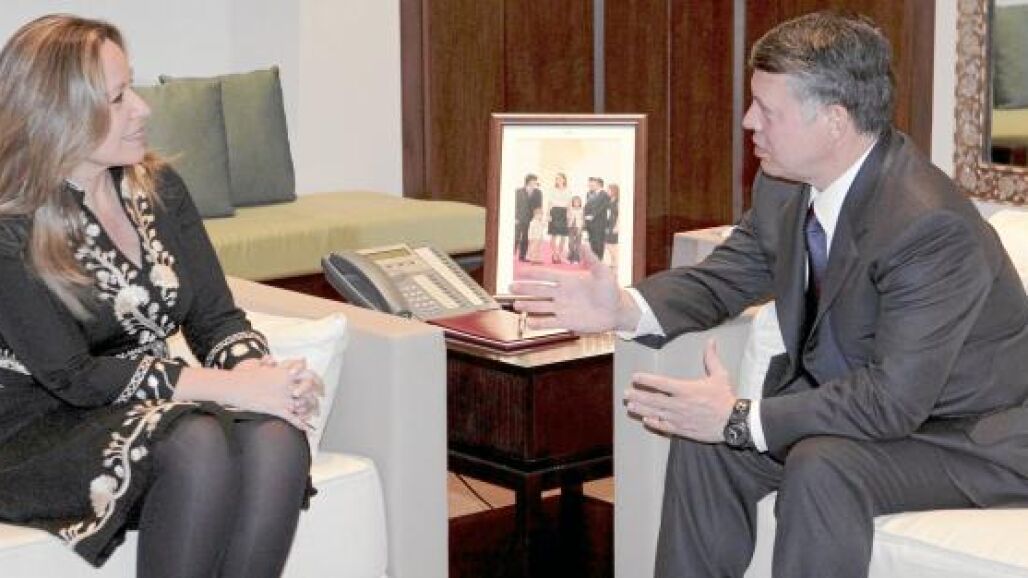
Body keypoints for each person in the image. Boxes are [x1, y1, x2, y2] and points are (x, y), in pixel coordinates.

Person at [513, 11, 1028, 578]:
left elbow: (892, 401)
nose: (748, 121)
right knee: (707, 442)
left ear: (834, 120)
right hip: (870, 412)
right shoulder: (784, 185)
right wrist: (624, 307)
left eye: (767, 109)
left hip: (968, 436)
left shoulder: (926, 226)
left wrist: (741, 417)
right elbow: (728, 274)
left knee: (820, 464)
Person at [0, 15, 323, 577]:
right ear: (59, 112)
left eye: (132, 88)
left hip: (147, 407)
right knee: (195, 441)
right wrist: (234, 388)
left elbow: (216, 318)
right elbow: (74, 377)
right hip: (35, 429)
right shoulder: (12, 224)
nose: (142, 108)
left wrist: (265, 378)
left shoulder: (158, 188)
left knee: (277, 437)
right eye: (117, 98)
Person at [514, 173, 542, 262]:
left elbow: (539, 206)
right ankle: (511, 253)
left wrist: (538, 218)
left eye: (535, 181)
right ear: (528, 181)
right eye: (533, 180)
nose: (535, 182)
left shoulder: (538, 192)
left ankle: (522, 256)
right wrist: (515, 217)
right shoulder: (518, 191)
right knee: (516, 236)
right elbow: (515, 205)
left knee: (526, 237)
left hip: (531, 219)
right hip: (519, 218)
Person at [546, 172, 572, 263]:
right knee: (553, 235)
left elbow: (569, 204)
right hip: (554, 211)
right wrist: (548, 214)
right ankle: (554, 254)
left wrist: (569, 215)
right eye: (557, 178)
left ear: (564, 180)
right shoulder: (552, 190)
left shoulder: (568, 190)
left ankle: (559, 255)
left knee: (563, 236)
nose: (558, 180)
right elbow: (549, 202)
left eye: (560, 178)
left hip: (564, 212)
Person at [582, 176, 609, 260]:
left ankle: (599, 259)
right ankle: (594, 259)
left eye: (594, 184)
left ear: (599, 184)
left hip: (599, 222)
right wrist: (585, 216)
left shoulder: (605, 194)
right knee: (592, 241)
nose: (591, 186)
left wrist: (593, 215)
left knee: (599, 241)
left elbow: (602, 207)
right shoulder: (589, 193)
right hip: (589, 222)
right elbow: (587, 206)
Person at [604, 182, 620, 269]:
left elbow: (619, 215)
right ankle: (614, 261)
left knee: (612, 243)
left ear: (613, 191)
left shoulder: (618, 202)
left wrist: (617, 226)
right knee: (608, 243)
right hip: (609, 223)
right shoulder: (610, 200)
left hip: (614, 223)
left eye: (609, 190)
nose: (607, 191)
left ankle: (615, 261)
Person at [566, 195, 585, 264]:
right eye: (575, 202)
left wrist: (581, 228)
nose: (576, 203)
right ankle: (571, 256)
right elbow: (568, 217)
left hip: (578, 227)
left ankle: (577, 257)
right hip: (571, 227)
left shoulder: (582, 209)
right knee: (571, 242)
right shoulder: (570, 209)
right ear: (573, 203)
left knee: (578, 243)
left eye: (578, 202)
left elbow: (583, 219)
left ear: (580, 203)